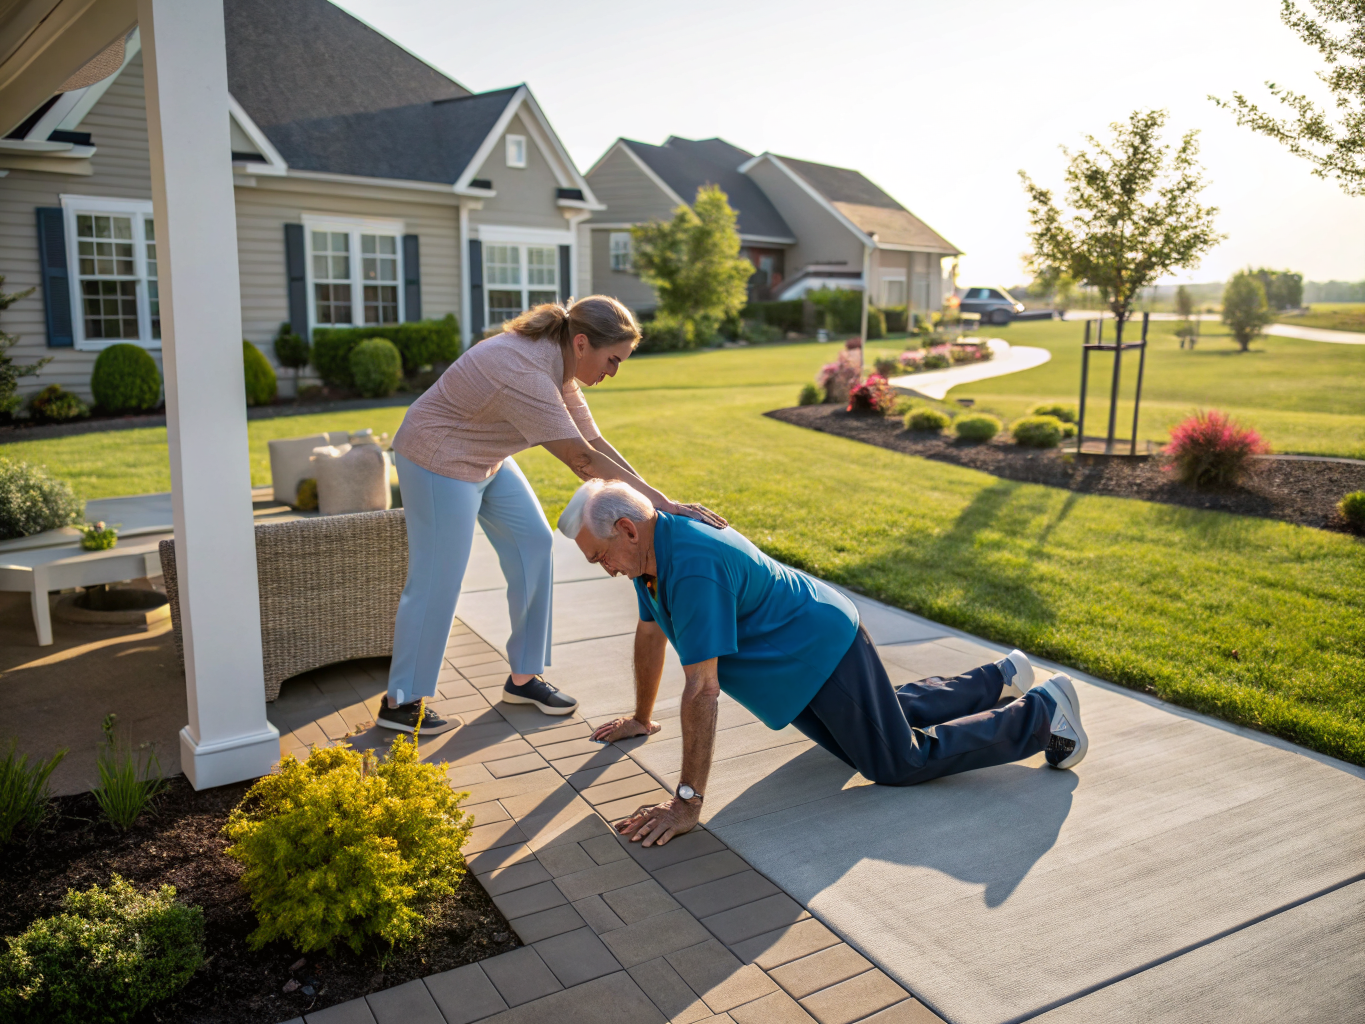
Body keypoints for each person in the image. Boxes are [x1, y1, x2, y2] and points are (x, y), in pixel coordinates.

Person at [557, 479, 1088, 847]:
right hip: (799, 658)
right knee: (874, 720)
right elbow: (650, 633)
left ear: (627, 529)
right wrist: (640, 716)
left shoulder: (690, 566)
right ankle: (999, 677)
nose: (604, 569)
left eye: (600, 556)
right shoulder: (650, 559)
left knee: (892, 760)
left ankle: (1043, 713)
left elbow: (703, 691)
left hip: (820, 647)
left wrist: (687, 803)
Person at [377, 298, 725, 736]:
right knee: (437, 577)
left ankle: (523, 678)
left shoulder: (561, 364)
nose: (614, 371)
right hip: (436, 457)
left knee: (534, 544)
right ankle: (401, 701)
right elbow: (582, 459)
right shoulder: (523, 369)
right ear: (582, 343)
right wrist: (662, 504)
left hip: (487, 458)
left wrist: (661, 501)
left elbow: (594, 441)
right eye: (612, 359)